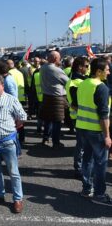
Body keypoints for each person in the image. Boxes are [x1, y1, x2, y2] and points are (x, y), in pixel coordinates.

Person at [0, 76, 27, 213]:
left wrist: (16, 126)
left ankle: (17, 199)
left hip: (7, 142)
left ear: (2, 86)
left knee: (13, 172)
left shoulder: (10, 99)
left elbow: (22, 116)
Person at [76, 57, 112, 204]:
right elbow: (103, 115)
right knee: (100, 163)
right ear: (99, 71)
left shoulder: (83, 83)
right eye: (107, 70)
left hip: (82, 127)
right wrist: (107, 135)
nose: (109, 72)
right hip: (96, 130)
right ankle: (99, 194)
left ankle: (86, 188)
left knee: (87, 160)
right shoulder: (101, 87)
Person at [65, 57, 89, 178]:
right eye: (86, 66)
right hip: (79, 117)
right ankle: (78, 169)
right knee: (81, 145)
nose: (87, 68)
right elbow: (75, 104)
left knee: (82, 144)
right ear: (80, 67)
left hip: (78, 116)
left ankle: (80, 167)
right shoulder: (76, 82)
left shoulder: (74, 79)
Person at [39, 51, 69, 148]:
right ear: (56, 58)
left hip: (46, 96)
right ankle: (56, 142)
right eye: (59, 58)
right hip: (57, 98)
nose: (60, 60)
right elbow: (67, 82)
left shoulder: (43, 68)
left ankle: (45, 138)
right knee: (57, 121)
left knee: (48, 119)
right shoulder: (56, 70)